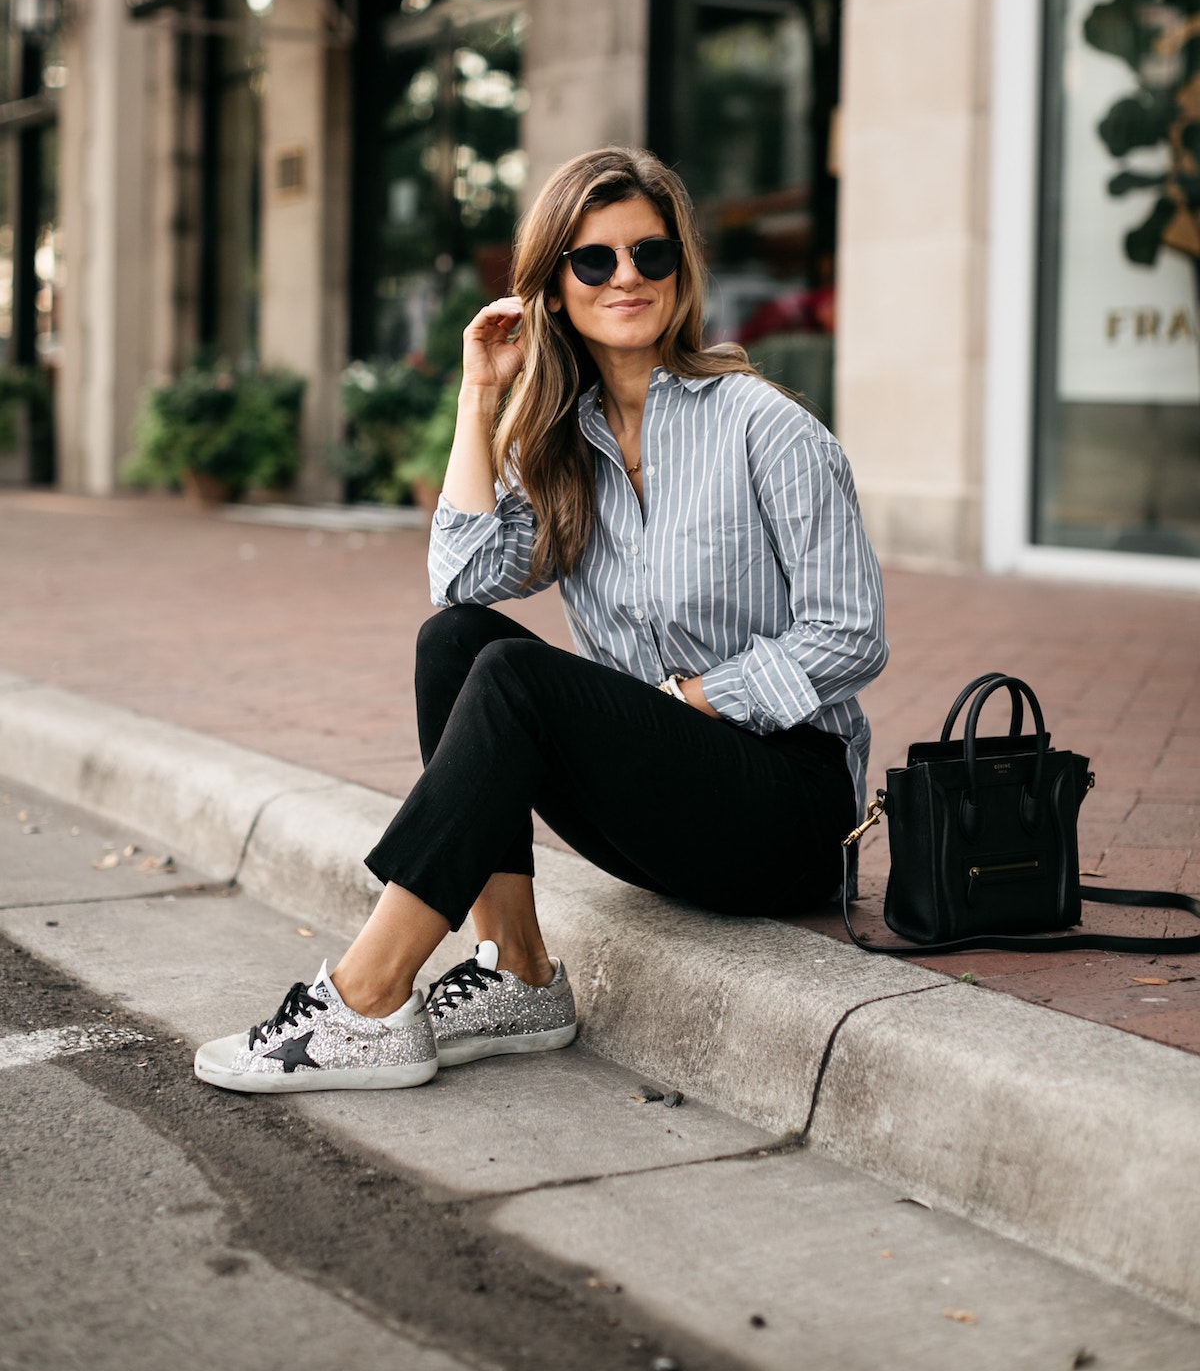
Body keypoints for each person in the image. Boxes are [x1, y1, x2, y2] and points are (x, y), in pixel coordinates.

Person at [195, 146, 888, 1093]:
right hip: (671, 807)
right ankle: (516, 971)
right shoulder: (564, 444)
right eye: (594, 261)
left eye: (651, 255)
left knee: (519, 682)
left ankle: (365, 997)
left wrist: (692, 700)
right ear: (554, 289)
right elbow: (462, 579)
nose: (628, 279)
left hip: (790, 815)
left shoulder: (762, 424)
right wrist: (480, 393)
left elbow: (851, 634)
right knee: (458, 644)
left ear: (682, 270)